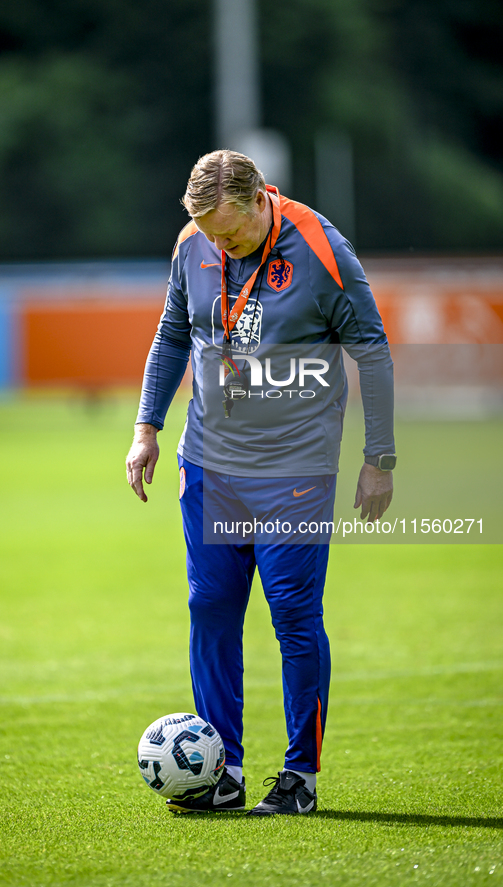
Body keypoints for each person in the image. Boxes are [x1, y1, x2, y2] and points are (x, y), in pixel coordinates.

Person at [126, 150, 395, 816]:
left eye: (231, 233)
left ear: (258, 202)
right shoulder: (193, 240)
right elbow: (170, 333)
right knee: (210, 609)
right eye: (211, 236)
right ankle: (224, 768)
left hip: (293, 471)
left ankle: (298, 775)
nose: (221, 245)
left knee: (291, 616)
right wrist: (146, 426)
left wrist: (378, 456)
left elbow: (371, 347)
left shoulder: (322, 250)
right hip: (210, 467)